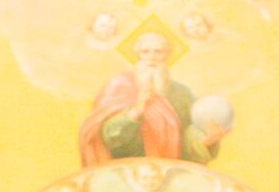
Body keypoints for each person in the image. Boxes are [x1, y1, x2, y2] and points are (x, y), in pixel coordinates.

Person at [79, 26, 226, 163]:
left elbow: (188, 134)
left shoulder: (182, 93)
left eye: (158, 52)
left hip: (168, 170)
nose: (152, 57)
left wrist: (205, 140)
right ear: (137, 56)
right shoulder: (118, 86)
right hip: (125, 169)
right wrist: (137, 110)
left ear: (167, 56)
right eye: (145, 52)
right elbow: (108, 136)